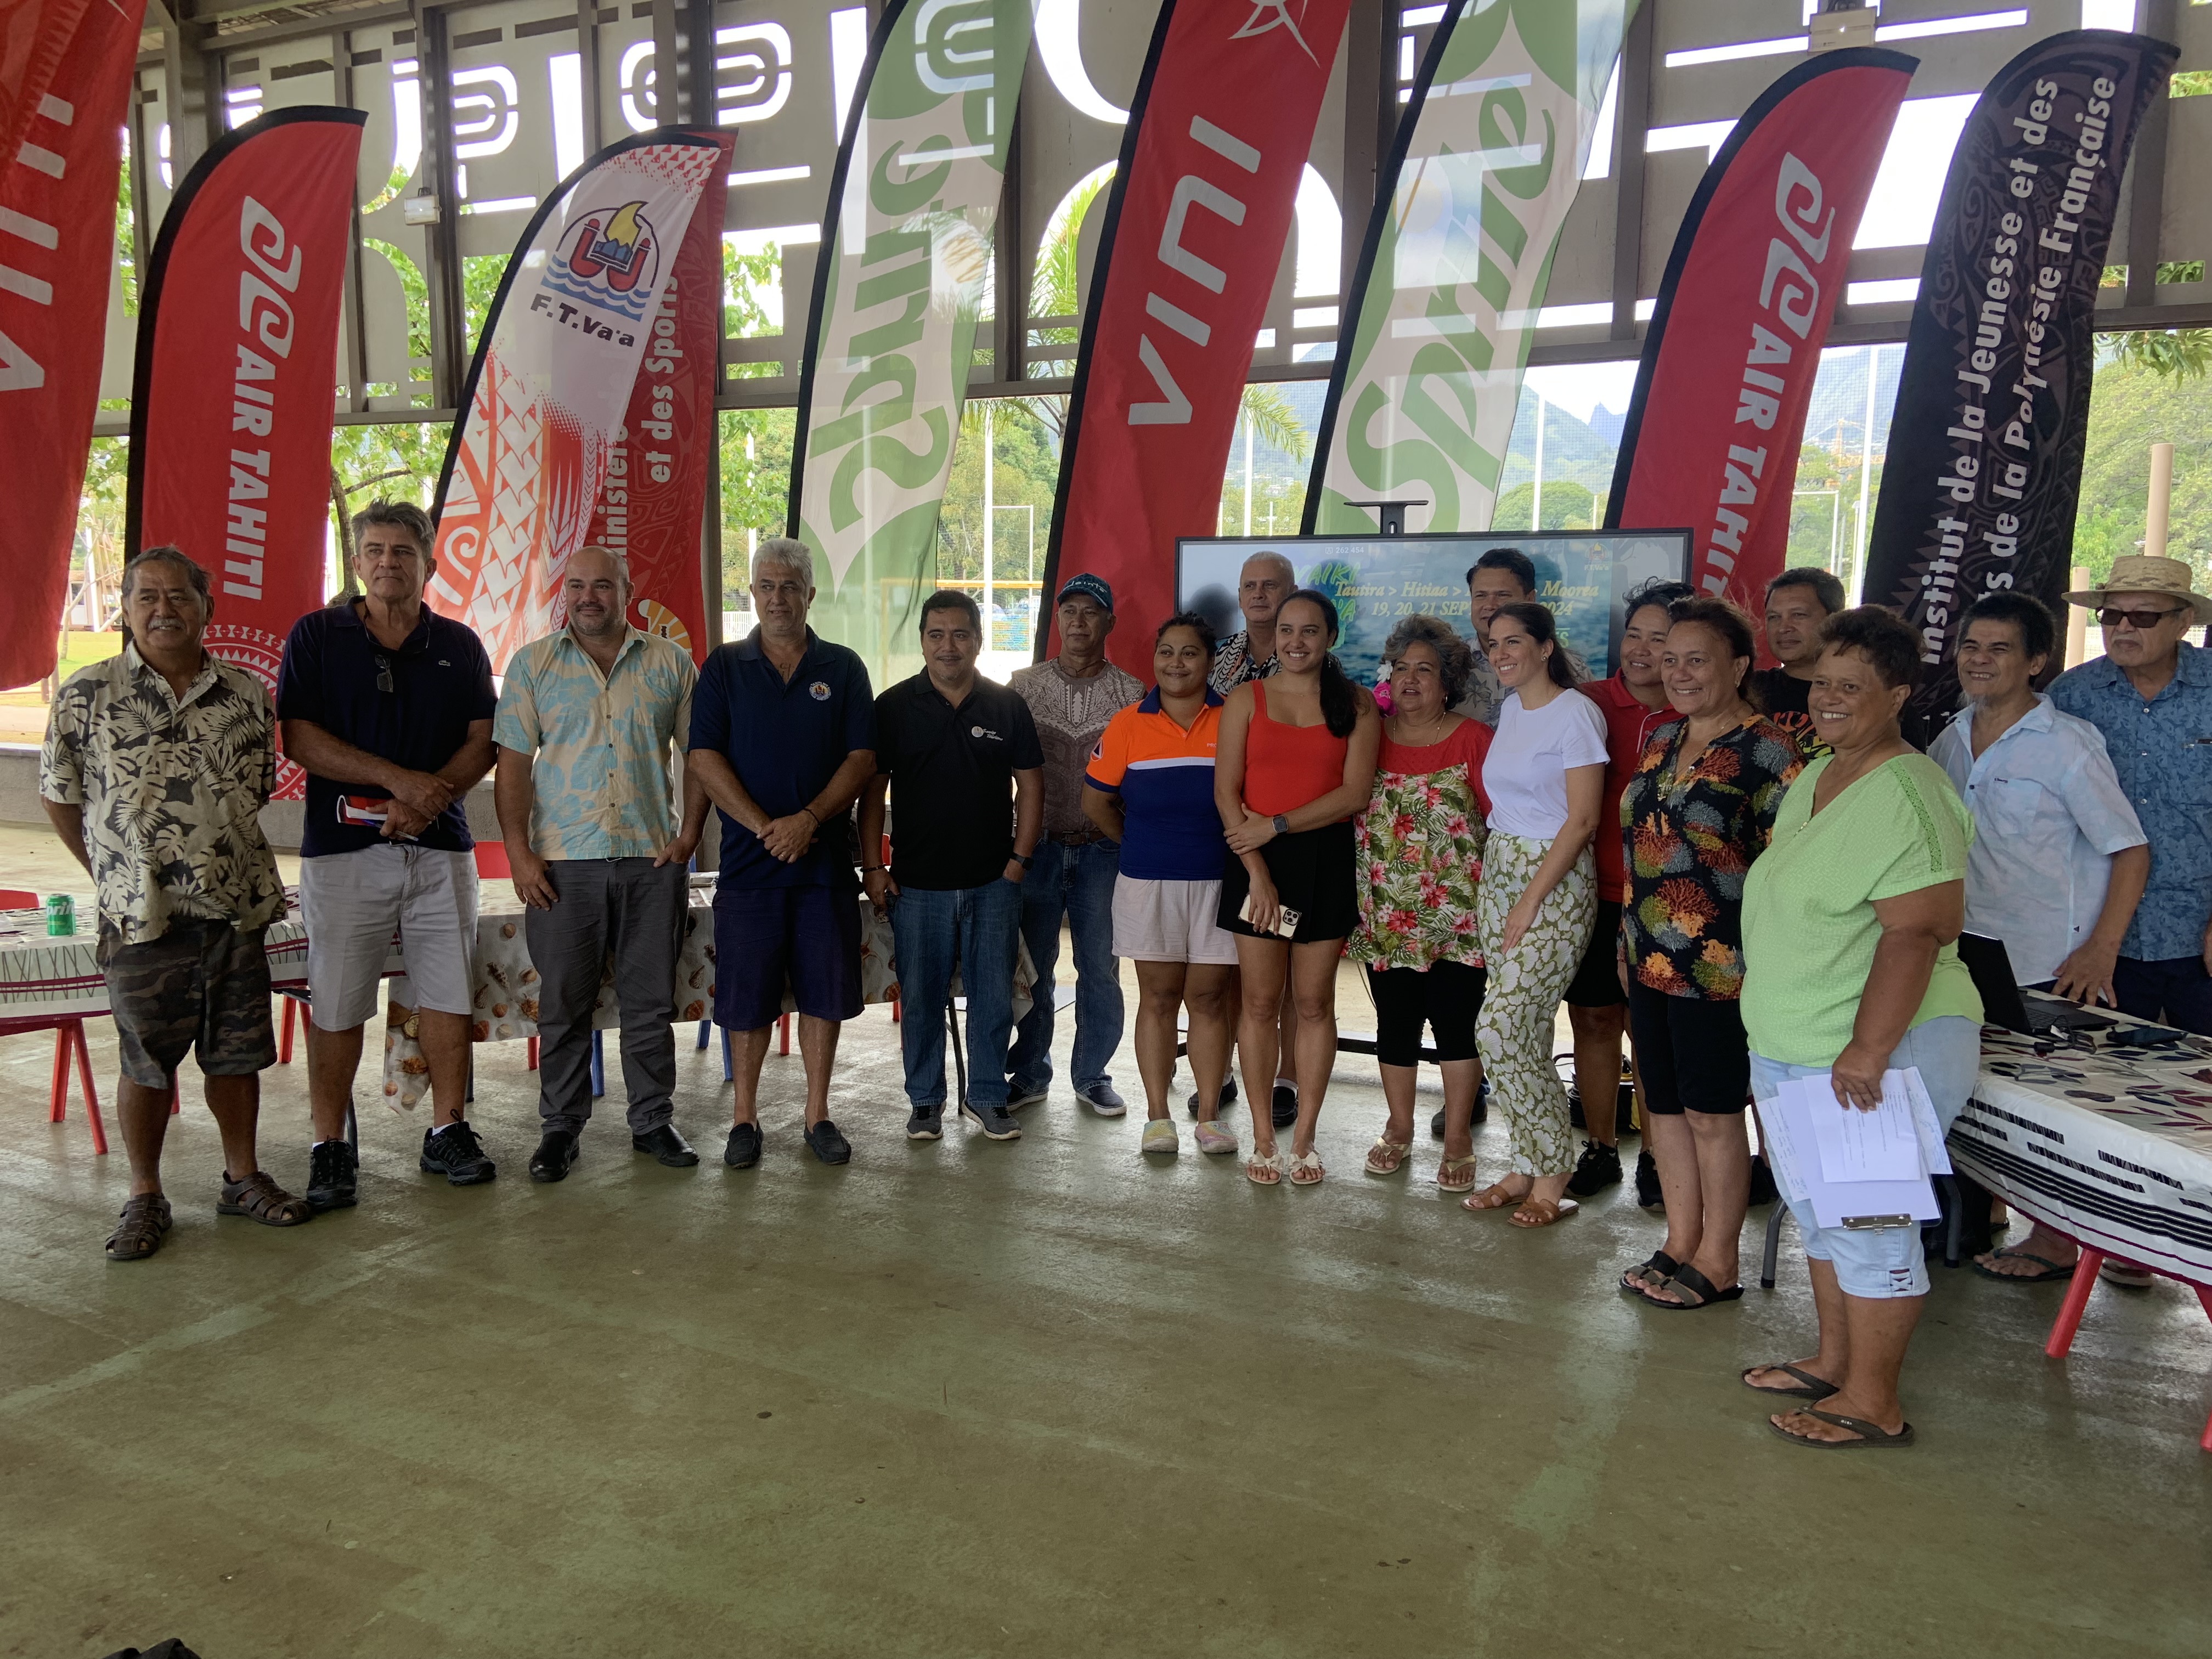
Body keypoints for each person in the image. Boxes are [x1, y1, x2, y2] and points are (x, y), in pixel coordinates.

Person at [1739, 607, 1983, 1448]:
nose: (1830, 702)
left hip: (1869, 1051)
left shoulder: (1911, 791)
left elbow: (1919, 931)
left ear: (1898, 695)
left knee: (1872, 1226)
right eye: (1822, 686)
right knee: (1821, 1213)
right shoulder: (1822, 772)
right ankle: (1834, 1363)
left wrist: (1870, 1050)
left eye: (1852, 688)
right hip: (1799, 1041)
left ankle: (1875, 1402)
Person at [40, 548, 310, 1259]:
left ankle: (242, 1177)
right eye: (147, 598)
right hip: (142, 917)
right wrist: (113, 868)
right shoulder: (86, 694)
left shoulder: (249, 694)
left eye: (181, 597)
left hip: (237, 910)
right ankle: (144, 1194)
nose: (165, 610)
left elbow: (253, 791)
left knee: (238, 1055)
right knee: (146, 1062)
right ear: (125, 610)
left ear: (206, 609)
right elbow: (59, 794)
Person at [278, 500, 498, 1206]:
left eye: (402, 551)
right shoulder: (316, 636)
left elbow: (482, 740)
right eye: (373, 550)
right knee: (339, 1001)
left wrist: (430, 800)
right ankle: (331, 1146)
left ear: (430, 562)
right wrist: (397, 780)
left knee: (446, 994)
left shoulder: (460, 645)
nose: (386, 563)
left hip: (441, 853)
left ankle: (448, 1129)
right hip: (343, 854)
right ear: (355, 561)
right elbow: (300, 740)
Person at [1933, 592, 2149, 1289]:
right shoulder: (1952, 734)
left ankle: (2055, 1240)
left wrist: (2100, 949)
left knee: (2050, 1104)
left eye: (2000, 649)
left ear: (2036, 662)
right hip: (1966, 947)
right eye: (1972, 646)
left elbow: (2130, 849)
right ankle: (1986, 1214)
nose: (1981, 661)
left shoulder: (2065, 744)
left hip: (2047, 959)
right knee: (1985, 1091)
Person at [494, 546, 706, 1182]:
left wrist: (689, 834)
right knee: (563, 1006)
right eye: (578, 586)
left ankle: (652, 1121)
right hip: (561, 866)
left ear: (627, 590)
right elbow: (512, 767)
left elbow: (698, 757)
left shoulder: (671, 663)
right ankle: (561, 1128)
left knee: (649, 1004)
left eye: (604, 586)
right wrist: (519, 854)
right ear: (567, 593)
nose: (590, 597)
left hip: (651, 859)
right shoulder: (532, 666)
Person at [1618, 598, 1801, 1310]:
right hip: (1647, 957)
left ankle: (1719, 1259)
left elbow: (1786, 869)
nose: (1680, 672)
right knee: (1662, 1107)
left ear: (1740, 667)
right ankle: (1679, 1239)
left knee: (1713, 1114)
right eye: (1671, 660)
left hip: (1723, 966)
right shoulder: (1661, 739)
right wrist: (1625, 941)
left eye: (1698, 659)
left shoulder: (1770, 751)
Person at [2047, 555, 2212, 1289]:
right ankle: (2123, 1238)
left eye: (2142, 616)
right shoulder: (2072, 697)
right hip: (2100, 935)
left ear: (2183, 622)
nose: (2121, 629)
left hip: (2201, 928)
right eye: (2110, 615)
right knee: (2109, 1090)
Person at [687, 539, 877, 1167]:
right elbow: (703, 757)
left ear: (810, 595)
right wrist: (767, 826)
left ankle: (817, 1114)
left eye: (790, 586)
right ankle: (745, 1120)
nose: (777, 598)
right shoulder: (722, 668)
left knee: (826, 993)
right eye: (765, 587)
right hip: (748, 867)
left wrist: (810, 820)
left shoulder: (844, 667)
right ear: (752, 596)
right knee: (746, 998)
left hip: (824, 866)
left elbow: (862, 760)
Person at [859, 590, 1042, 1142]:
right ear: (921, 642)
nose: (948, 646)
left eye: (960, 634)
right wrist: (873, 867)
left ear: (979, 641)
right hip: (917, 887)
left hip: (994, 884)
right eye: (936, 635)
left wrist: (1018, 862)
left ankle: (987, 1096)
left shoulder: (1006, 706)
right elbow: (872, 793)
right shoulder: (892, 708)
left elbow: (1031, 787)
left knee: (992, 996)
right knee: (920, 998)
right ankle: (926, 1103)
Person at [1215, 589, 1381, 1184]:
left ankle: (1305, 1137)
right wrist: (1258, 870)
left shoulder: (1356, 705)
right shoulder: (1245, 698)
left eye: (1310, 631)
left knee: (1313, 1005)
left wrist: (1279, 823)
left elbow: (1354, 794)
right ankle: (1262, 1136)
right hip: (1256, 861)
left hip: (1324, 860)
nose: (1296, 642)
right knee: (1259, 1003)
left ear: (1330, 637)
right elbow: (1225, 791)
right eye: (1287, 630)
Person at [1461, 602, 1605, 1226]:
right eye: (1493, 644)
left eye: (1514, 641)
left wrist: (1530, 899)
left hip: (1554, 880)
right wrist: (1501, 888)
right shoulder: (1513, 708)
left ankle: (1553, 1171)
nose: (1501, 654)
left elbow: (1582, 819)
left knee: (1498, 1026)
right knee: (1527, 1032)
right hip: (1501, 870)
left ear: (1547, 647)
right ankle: (1525, 1163)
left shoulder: (1576, 714)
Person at [1082, 613, 1237, 1156]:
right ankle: (1156, 1116)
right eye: (1166, 651)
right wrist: (1134, 843)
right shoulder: (1128, 724)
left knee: (1210, 998)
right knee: (1159, 997)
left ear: (1210, 660)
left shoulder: (1235, 718)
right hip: (1149, 883)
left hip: (1220, 881)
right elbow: (1095, 801)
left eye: (1189, 652)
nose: (1176, 663)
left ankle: (1211, 1117)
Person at [1346, 615, 1491, 1190]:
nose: (1409, 679)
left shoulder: (1474, 739)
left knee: (1458, 1027)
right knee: (1395, 1026)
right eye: (1400, 668)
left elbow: (1503, 823)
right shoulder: (1369, 738)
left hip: (1459, 915)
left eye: (1424, 670)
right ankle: (1399, 1128)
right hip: (1386, 914)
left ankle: (1457, 1136)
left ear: (1447, 681)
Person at [1561, 576, 1693, 1199]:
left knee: (1653, 1030)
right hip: (1592, 893)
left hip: (1667, 906)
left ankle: (1659, 1155)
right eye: (1633, 634)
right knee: (1592, 1019)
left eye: (1659, 639)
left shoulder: (1696, 714)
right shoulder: (1585, 703)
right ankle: (1600, 1144)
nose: (1641, 649)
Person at [1007, 574, 1142, 1115]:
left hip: (1102, 850)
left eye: (1091, 612)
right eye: (1070, 612)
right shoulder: (1021, 686)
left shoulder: (1133, 694)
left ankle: (1092, 1075)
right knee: (1033, 966)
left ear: (1109, 621)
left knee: (1100, 968)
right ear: (1057, 618)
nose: (1079, 623)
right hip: (1036, 846)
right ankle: (1030, 1073)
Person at [1208, 548, 1300, 1129]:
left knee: (1285, 965)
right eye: (1250, 586)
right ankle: (1230, 1073)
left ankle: (1286, 1078)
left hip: (1292, 837)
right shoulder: (1218, 662)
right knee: (1238, 966)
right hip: (1225, 829)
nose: (1259, 595)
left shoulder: (1311, 659)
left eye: (1271, 585)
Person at [1452, 547, 1589, 728]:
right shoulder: (1451, 664)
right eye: (1481, 596)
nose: (1490, 605)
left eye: (1502, 595)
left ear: (1530, 599)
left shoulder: (1573, 668)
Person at [1753, 566, 1846, 758]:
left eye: (1798, 615)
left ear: (1835, 619)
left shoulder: (1869, 695)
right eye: (1774, 617)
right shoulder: (1747, 690)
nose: (1783, 628)